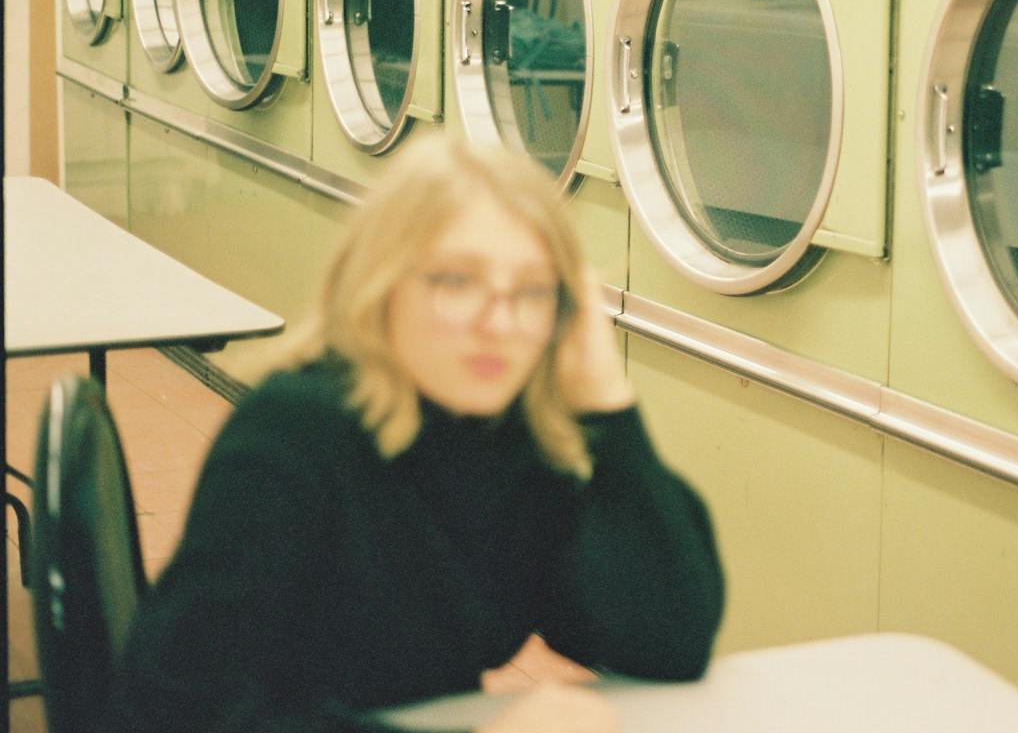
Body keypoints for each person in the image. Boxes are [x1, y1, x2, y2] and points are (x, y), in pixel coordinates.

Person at [106, 135, 724, 733]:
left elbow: (671, 641)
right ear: (380, 286)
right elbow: (179, 709)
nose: (499, 322)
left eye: (533, 291)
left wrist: (607, 404)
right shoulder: (294, 435)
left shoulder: (509, 444)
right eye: (457, 281)